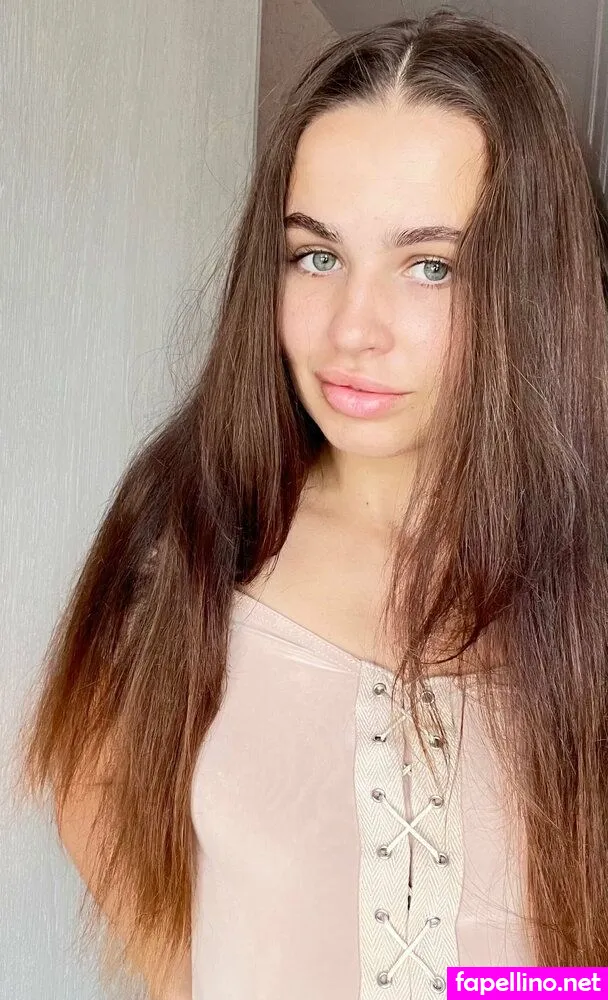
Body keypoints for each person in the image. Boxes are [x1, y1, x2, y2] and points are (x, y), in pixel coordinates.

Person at [12, 7, 608, 1000]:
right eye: (316, 256)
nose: (352, 329)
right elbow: (93, 784)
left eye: (431, 266)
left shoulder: (586, 579)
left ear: (531, 289)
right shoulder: (195, 528)